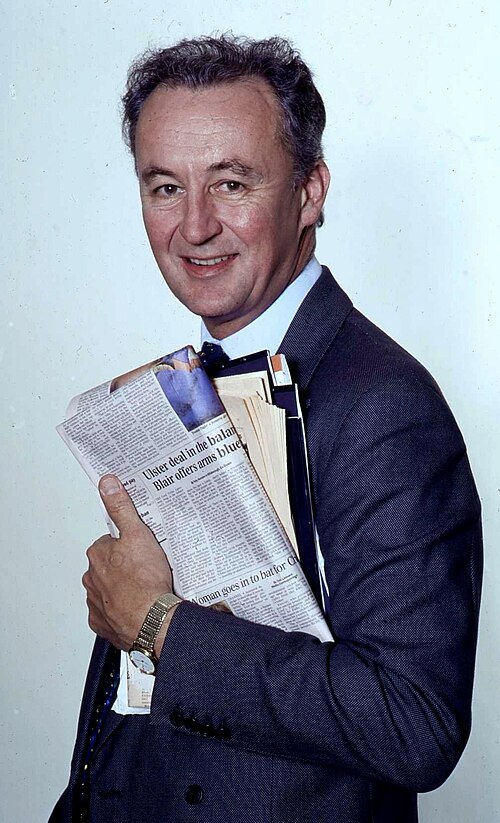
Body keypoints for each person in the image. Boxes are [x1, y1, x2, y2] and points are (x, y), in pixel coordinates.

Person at [50, 35, 482, 822]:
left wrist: (157, 624)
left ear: (310, 192)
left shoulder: (385, 403)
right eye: (165, 187)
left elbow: (414, 722)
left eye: (230, 182)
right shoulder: (175, 383)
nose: (194, 227)